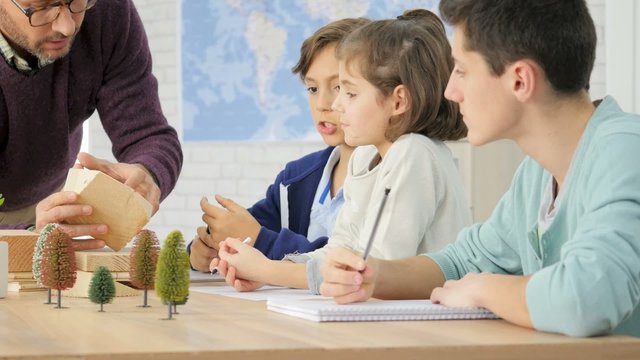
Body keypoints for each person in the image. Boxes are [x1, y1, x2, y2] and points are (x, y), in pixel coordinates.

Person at [320, 0, 640, 338]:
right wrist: (375, 275)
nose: (450, 91)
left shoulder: (625, 151)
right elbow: (463, 262)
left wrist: (483, 290)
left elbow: (587, 299)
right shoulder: (536, 174)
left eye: (461, 70)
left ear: (519, 80)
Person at [212, 9, 471, 294]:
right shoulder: (366, 157)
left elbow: (370, 272)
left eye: (349, 92)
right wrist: (268, 269)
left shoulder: (414, 153)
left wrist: (270, 270)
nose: (335, 105)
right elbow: (340, 250)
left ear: (398, 101)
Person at [188, 18, 371, 272]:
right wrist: (205, 248)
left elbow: (356, 264)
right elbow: (247, 227)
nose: (323, 104)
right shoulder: (295, 178)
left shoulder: (392, 173)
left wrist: (262, 241)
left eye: (339, 87)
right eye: (313, 88)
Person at [0, 0, 183, 250]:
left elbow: (149, 135)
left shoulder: (109, 10)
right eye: (42, 8)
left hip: (52, 202)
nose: (66, 28)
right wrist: (28, 235)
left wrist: (148, 174)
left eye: (76, 3)